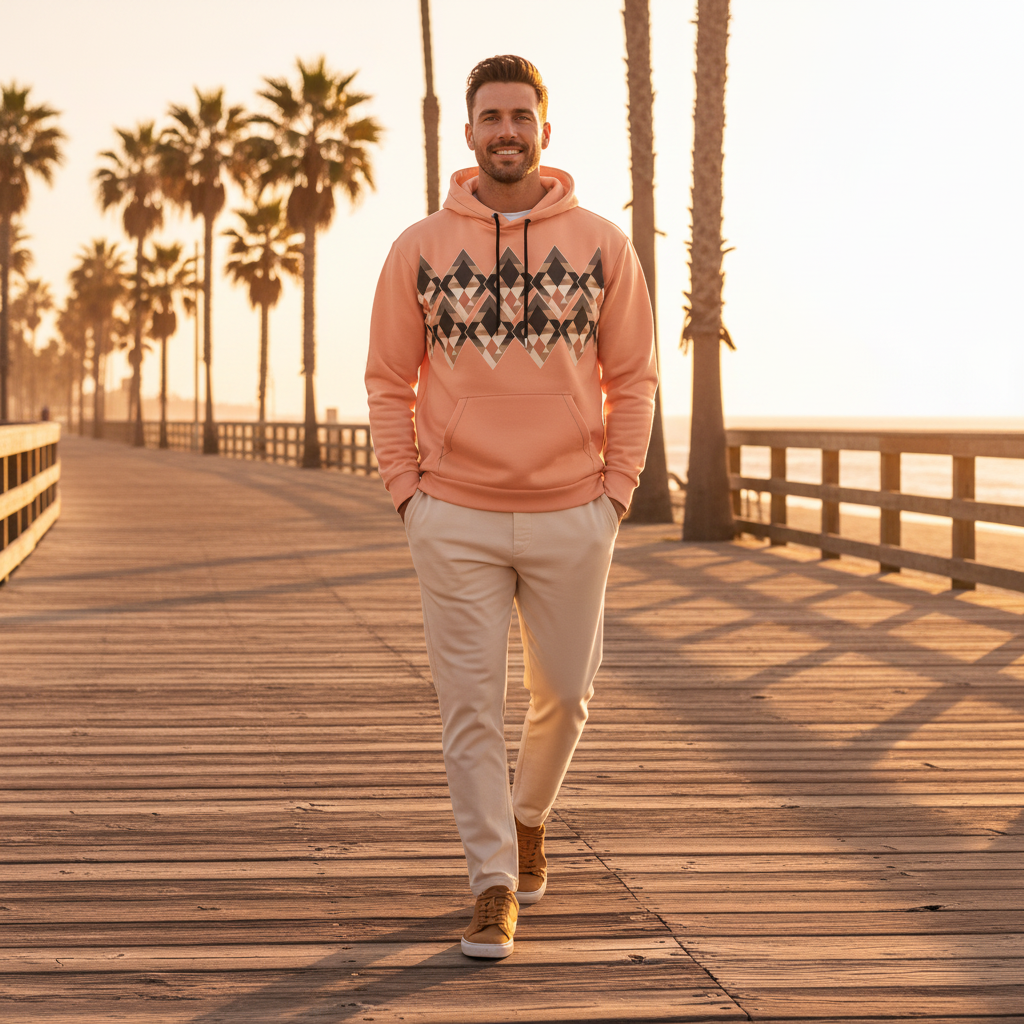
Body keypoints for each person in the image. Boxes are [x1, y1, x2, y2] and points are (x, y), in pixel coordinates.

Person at [365, 54, 657, 959]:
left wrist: (616, 491)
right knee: (468, 705)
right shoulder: (418, 248)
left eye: (520, 117)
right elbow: (386, 380)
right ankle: (492, 881)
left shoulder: (604, 244)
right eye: (490, 117)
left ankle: (528, 817)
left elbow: (634, 378)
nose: (506, 131)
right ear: (468, 134)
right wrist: (408, 492)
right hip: (454, 514)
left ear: (543, 130)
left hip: (577, 510)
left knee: (565, 696)